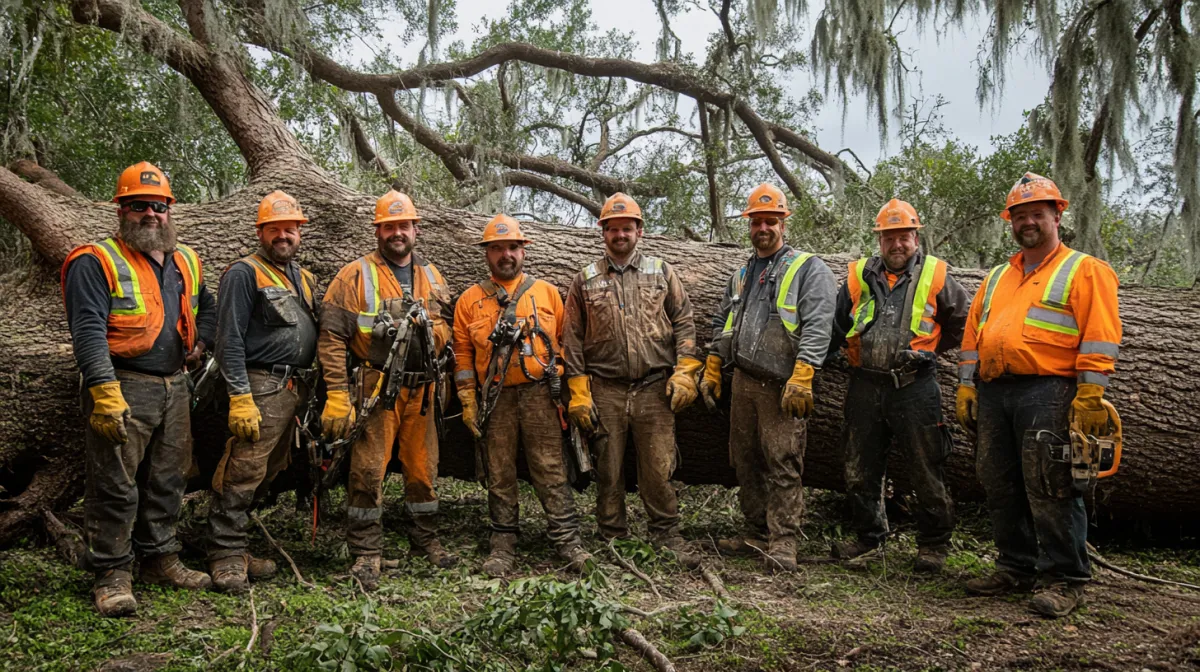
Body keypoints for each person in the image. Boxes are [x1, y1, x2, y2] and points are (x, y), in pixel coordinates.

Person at [957, 173, 1121, 618]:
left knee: (1053, 484)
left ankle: (1065, 578)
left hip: (1051, 390)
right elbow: (974, 335)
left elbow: (1100, 336)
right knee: (998, 481)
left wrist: (1090, 393)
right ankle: (1015, 566)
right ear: (1010, 222)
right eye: (1019, 216)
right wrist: (967, 385)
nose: (1028, 222)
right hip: (995, 392)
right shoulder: (997, 277)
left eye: (1036, 214)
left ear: (1056, 216)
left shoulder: (1084, 269)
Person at [61, 161, 217, 616]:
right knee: (114, 482)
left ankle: (160, 558)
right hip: (122, 384)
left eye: (159, 206)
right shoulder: (96, 260)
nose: (151, 214)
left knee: (170, 477)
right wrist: (103, 390)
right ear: (121, 210)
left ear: (170, 210)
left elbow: (206, 305)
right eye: (139, 206)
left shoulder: (185, 258)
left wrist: (200, 342)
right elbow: (87, 330)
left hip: (174, 385)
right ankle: (111, 572)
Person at [318, 190, 458, 590]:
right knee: (367, 471)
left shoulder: (432, 276)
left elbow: (448, 328)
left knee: (424, 470)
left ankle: (425, 539)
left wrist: (433, 334)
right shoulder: (353, 275)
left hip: (423, 390)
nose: (397, 233)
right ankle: (366, 551)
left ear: (416, 229)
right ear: (378, 231)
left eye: (404, 225)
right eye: (389, 227)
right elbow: (330, 338)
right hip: (376, 386)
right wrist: (336, 395)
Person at [826, 199, 970, 572]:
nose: (897, 245)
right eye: (889, 238)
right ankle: (868, 537)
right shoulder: (858, 276)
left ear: (915, 237)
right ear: (880, 240)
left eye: (903, 236)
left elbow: (963, 325)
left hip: (915, 387)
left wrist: (932, 349)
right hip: (865, 384)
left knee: (926, 465)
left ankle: (934, 544)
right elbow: (837, 325)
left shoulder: (936, 275)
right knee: (860, 465)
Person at [561, 193, 703, 568]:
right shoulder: (585, 279)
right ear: (602, 232)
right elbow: (571, 338)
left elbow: (685, 322)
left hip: (655, 388)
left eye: (627, 228)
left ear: (639, 231)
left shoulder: (662, 271)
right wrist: (578, 390)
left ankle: (666, 533)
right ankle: (612, 536)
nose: (620, 234)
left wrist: (686, 370)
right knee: (608, 468)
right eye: (613, 229)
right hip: (605, 389)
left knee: (658, 466)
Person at [701, 183, 836, 572]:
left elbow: (819, 324)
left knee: (783, 460)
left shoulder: (808, 268)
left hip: (784, 384)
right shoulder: (742, 273)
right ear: (749, 224)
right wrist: (713, 363)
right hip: (743, 380)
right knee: (745, 459)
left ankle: (784, 540)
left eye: (771, 221)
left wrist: (805, 372)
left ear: (783, 223)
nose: (763, 228)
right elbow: (722, 320)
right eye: (757, 221)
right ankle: (757, 530)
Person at [453, 215, 592, 577]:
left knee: (550, 467)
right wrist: (468, 398)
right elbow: (463, 355)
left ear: (523, 251)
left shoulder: (546, 293)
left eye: (512, 247)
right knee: (499, 471)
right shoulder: (470, 300)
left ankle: (568, 541)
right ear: (487, 254)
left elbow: (565, 345)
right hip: (495, 399)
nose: (505, 255)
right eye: (497, 248)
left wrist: (570, 391)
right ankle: (502, 545)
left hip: (540, 395)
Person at [207, 191, 319, 593]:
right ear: (261, 231)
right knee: (242, 470)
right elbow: (228, 338)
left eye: (291, 228)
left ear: (300, 232)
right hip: (260, 386)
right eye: (275, 228)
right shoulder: (243, 272)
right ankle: (224, 555)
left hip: (294, 389)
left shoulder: (303, 278)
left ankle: (238, 548)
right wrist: (240, 394)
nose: (284, 235)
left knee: (268, 471)